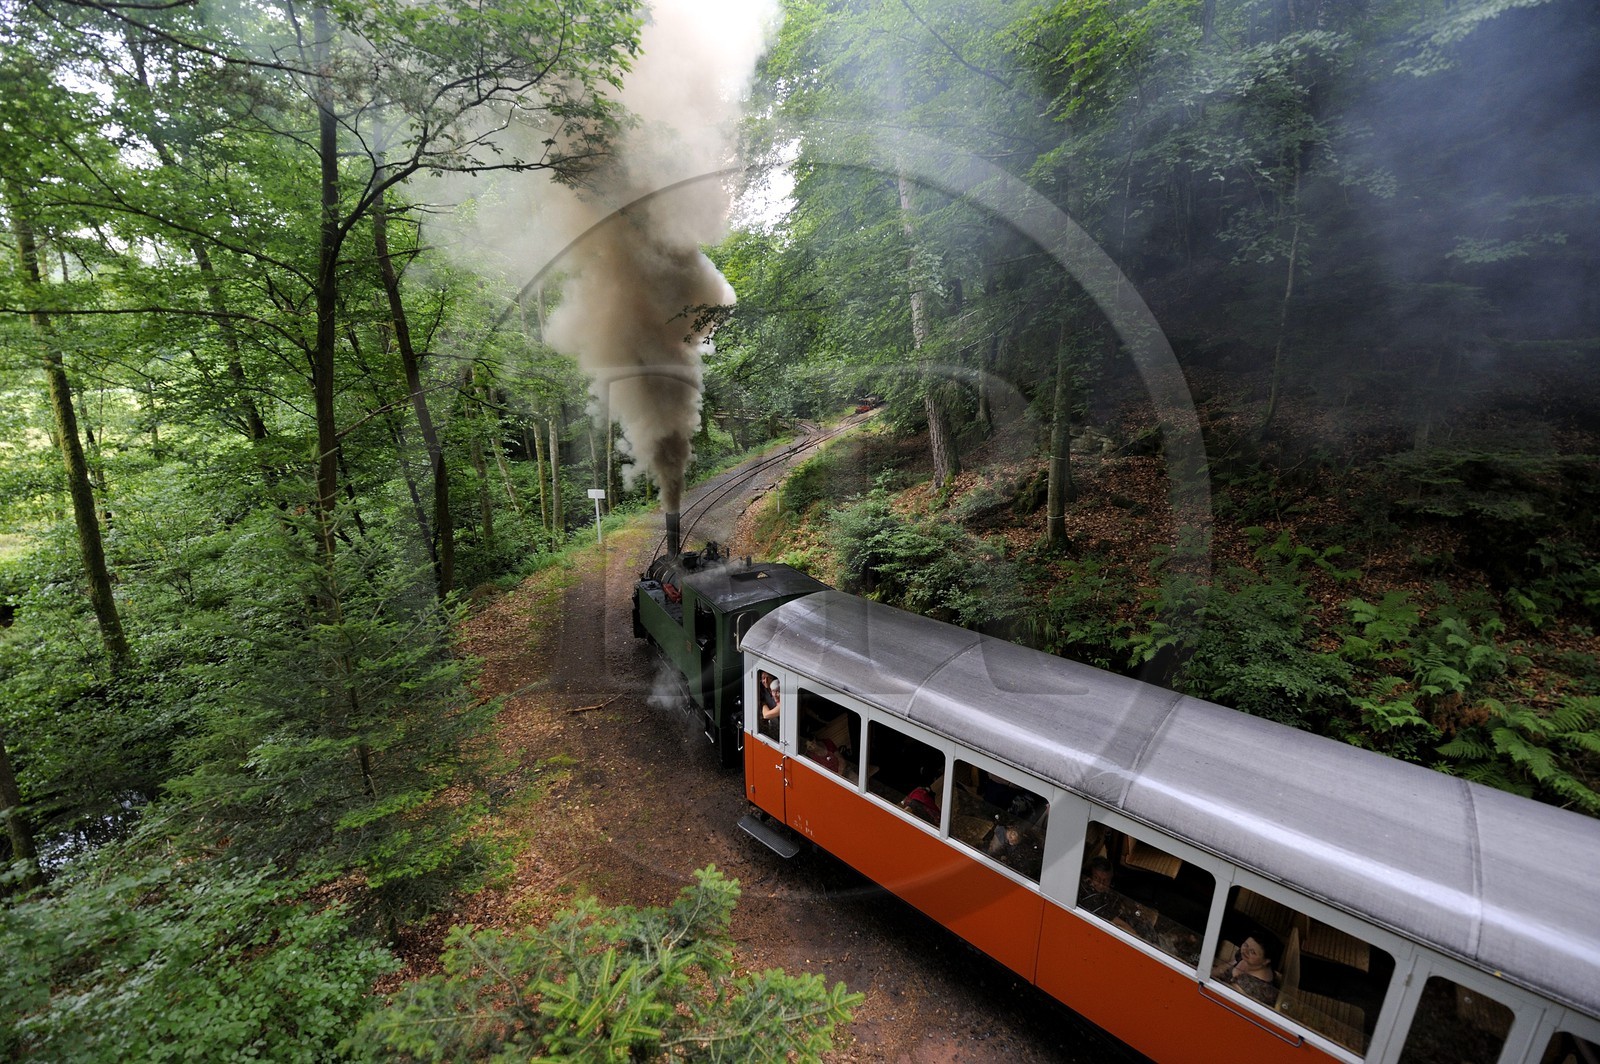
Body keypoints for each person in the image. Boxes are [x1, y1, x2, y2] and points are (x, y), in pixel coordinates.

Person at [1212, 933, 1280, 1006]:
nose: (1245, 951)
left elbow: (1222, 998)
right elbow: (1220, 970)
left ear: (1266, 961)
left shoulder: (1254, 987)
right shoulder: (1248, 960)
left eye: (1252, 952)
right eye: (1245, 945)